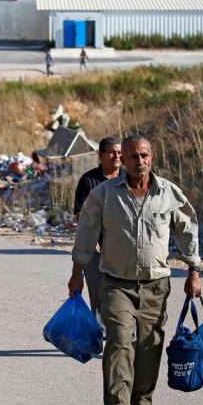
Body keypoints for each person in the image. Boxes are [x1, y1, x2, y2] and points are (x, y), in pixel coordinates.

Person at [69, 135, 201, 405]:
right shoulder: (104, 193)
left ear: (151, 157)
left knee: (149, 347)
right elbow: (85, 231)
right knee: (118, 343)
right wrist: (77, 273)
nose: (140, 161)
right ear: (124, 162)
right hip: (116, 284)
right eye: (133, 157)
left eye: (144, 155)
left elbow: (188, 230)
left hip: (156, 285)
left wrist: (194, 271)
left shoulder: (168, 193)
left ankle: (142, 402)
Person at [71, 136, 123, 319]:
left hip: (123, 249)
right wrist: (90, 239)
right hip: (96, 249)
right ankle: (100, 336)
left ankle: (122, 338)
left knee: (123, 297)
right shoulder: (88, 180)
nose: (116, 156)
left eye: (119, 152)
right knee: (99, 296)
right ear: (100, 155)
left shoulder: (128, 178)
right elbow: (80, 214)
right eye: (111, 152)